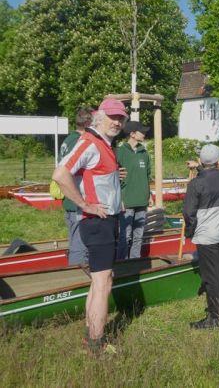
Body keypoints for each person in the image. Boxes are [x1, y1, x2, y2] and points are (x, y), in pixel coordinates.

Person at [52, 98, 128, 354]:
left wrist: (117, 199)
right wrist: (85, 204)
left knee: (100, 281)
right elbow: (60, 174)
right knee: (103, 282)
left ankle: (90, 334)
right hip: (97, 222)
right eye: (113, 117)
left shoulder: (105, 144)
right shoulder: (90, 142)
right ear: (99, 117)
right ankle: (97, 342)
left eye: (121, 118)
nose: (117, 122)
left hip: (104, 220)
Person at [183, 144, 219, 330]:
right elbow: (213, 174)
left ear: (202, 162)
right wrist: (200, 166)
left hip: (207, 235)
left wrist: (190, 232)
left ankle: (214, 318)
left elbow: (188, 213)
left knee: (211, 277)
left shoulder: (195, 184)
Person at [59, 107, 93, 266]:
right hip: (77, 199)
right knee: (80, 244)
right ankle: (78, 277)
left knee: (76, 240)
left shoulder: (68, 140)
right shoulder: (78, 142)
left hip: (71, 199)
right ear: (88, 123)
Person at [116, 121, 153, 260]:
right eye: (141, 132)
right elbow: (114, 178)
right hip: (127, 201)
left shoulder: (144, 152)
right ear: (132, 134)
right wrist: (119, 199)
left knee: (139, 235)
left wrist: (149, 195)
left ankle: (135, 261)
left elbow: (147, 175)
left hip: (142, 200)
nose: (144, 134)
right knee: (125, 236)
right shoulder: (120, 152)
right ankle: (122, 262)